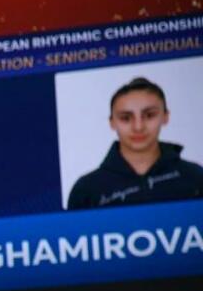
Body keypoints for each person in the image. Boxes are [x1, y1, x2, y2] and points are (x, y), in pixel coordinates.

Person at [66, 76, 203, 209]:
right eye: (126, 118)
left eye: (149, 115)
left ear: (165, 117)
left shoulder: (194, 177)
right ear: (112, 122)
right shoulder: (87, 191)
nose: (138, 127)